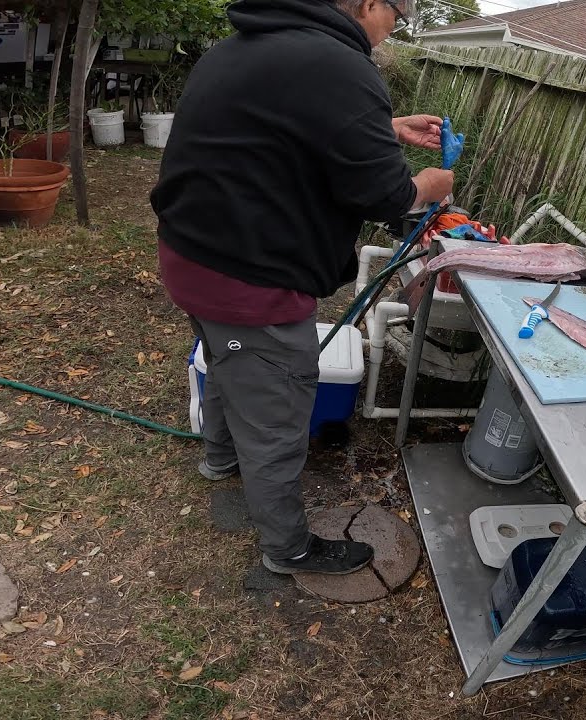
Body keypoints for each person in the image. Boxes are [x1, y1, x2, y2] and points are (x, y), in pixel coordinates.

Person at [150, 0, 455, 576]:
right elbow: (384, 196)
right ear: (369, 3)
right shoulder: (341, 65)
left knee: (228, 358)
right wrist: (430, 184)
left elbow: (274, 133)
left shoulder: (247, 44)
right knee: (277, 417)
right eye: (399, 13)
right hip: (248, 276)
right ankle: (288, 547)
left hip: (192, 254)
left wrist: (382, 129)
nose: (396, 28)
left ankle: (218, 459)